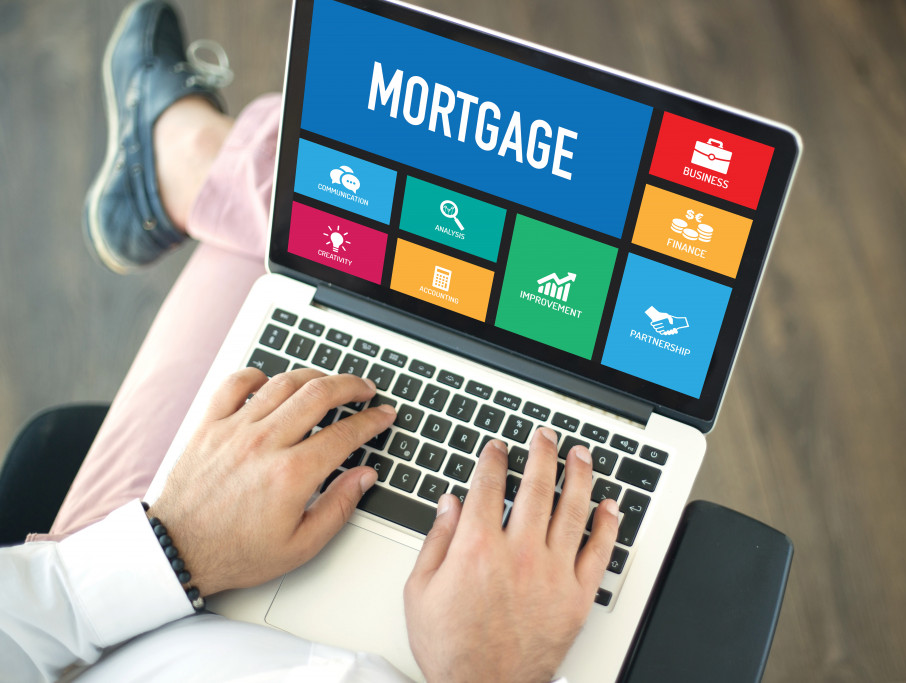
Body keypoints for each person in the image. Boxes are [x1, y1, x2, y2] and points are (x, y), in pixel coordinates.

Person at [0, 2, 620, 682]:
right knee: (322, 211)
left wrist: (174, 543)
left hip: (130, 615)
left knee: (315, 230)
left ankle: (192, 162)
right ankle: (193, 160)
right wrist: (489, 670)